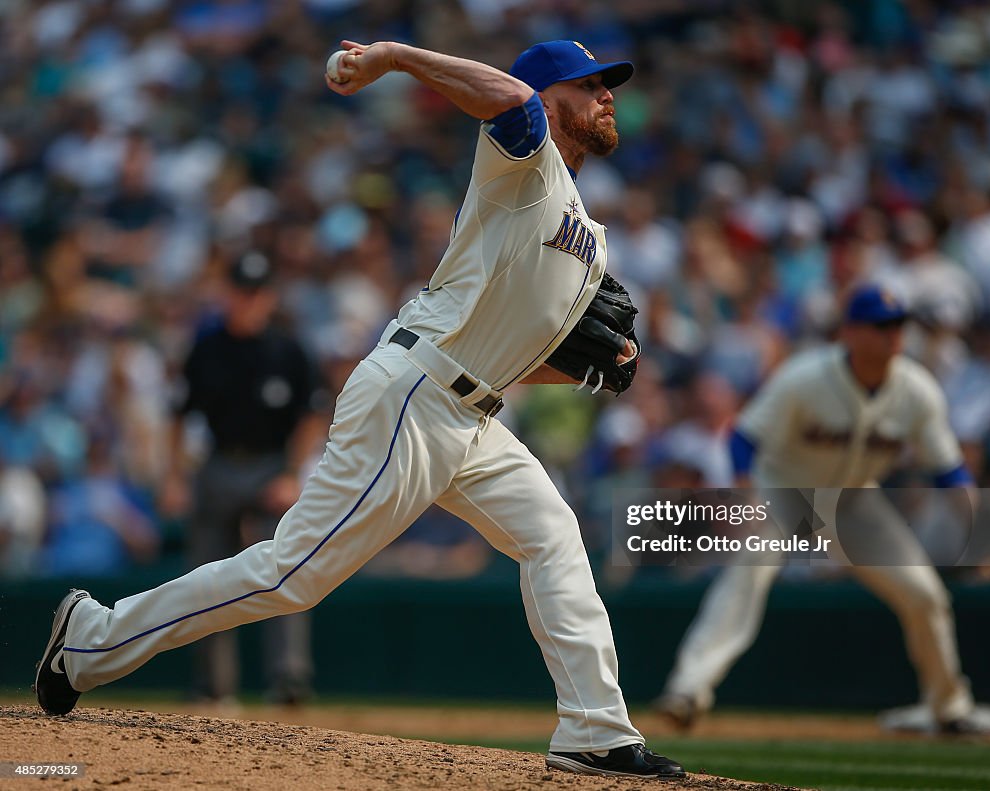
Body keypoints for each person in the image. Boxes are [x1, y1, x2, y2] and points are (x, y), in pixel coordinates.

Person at [34, 39, 685, 779]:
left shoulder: (587, 242)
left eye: (608, 85)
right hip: (414, 391)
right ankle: (91, 636)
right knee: (294, 575)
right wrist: (395, 57)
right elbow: (510, 102)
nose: (606, 95)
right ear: (546, 93)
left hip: (469, 410)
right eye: (589, 83)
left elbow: (506, 357)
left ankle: (594, 730)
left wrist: (589, 374)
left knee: (553, 535)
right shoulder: (525, 164)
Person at [655, 284, 980, 734]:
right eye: (880, 327)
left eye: (898, 326)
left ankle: (950, 707)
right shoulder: (805, 376)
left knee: (924, 594)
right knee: (748, 571)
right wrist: (748, 495)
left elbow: (949, 470)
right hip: (785, 490)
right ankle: (688, 689)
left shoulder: (916, 389)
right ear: (850, 333)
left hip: (853, 500)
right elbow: (744, 439)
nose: (892, 336)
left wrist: (974, 522)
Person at [162, 251, 326, 705]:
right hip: (218, 464)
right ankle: (212, 684)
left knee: (285, 571)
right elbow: (177, 414)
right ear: (227, 292)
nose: (248, 301)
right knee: (205, 575)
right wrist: (173, 476)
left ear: (268, 297)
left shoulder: (287, 349)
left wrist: (293, 472)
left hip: (272, 465)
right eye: (241, 291)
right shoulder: (206, 345)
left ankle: (289, 678)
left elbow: (312, 414)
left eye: (256, 293)